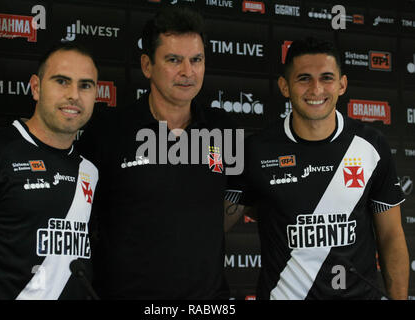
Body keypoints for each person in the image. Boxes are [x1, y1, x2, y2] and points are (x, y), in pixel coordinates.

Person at [229, 37, 409, 300]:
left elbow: (391, 235)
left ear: (342, 84)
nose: (316, 89)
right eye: (303, 78)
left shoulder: (371, 145)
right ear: (284, 86)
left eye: (326, 78)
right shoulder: (255, 150)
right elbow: (211, 224)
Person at [78, 6, 239, 299]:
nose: (187, 72)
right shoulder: (108, 129)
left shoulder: (223, 127)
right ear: (147, 65)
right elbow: (78, 215)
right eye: (174, 60)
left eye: (196, 60)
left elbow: (239, 194)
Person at [0, 42, 99, 299]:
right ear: (36, 87)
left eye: (85, 85)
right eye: (62, 81)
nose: (74, 95)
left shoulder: (90, 171)